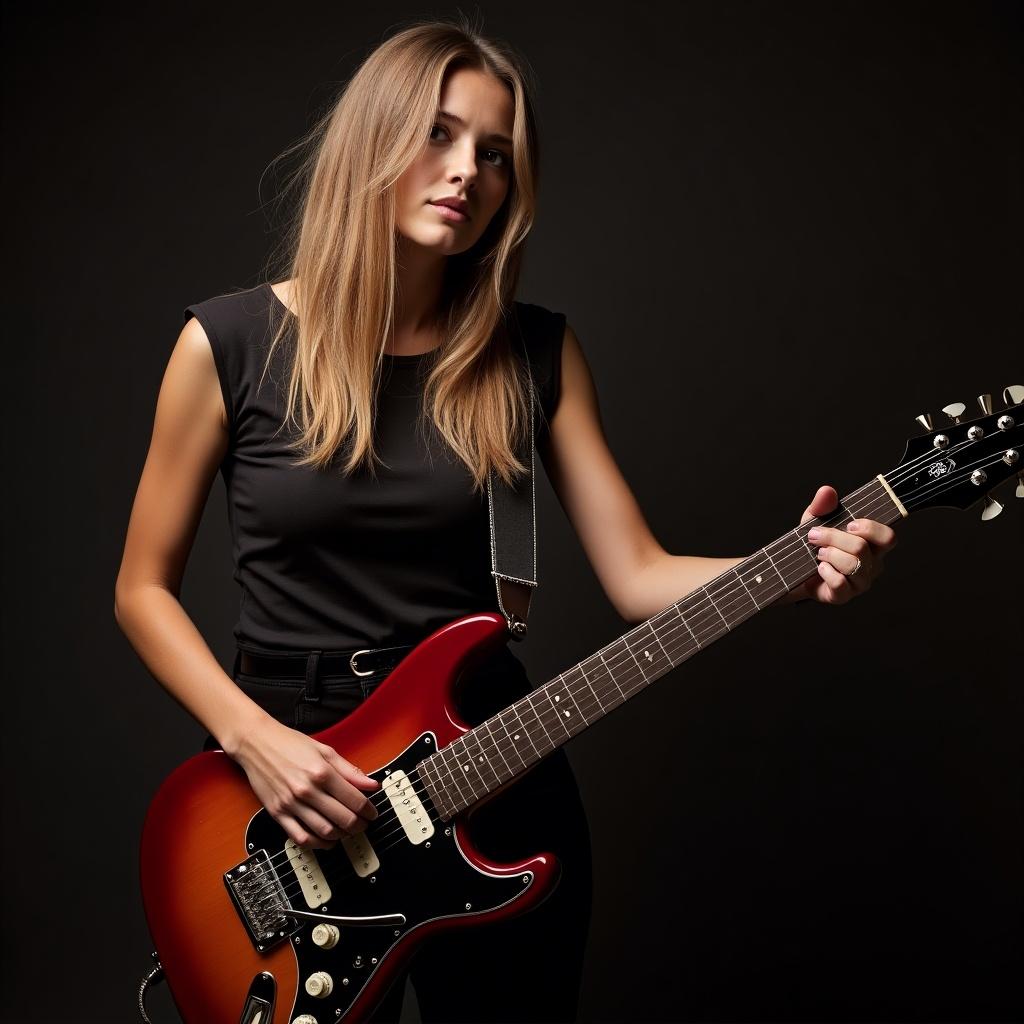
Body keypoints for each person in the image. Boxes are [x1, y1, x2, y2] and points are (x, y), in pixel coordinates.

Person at [114, 17, 897, 1024]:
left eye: (493, 154)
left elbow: (637, 572)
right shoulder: (224, 343)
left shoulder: (534, 356)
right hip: (285, 778)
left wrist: (791, 564)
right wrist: (253, 738)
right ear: (372, 141)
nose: (465, 172)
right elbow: (141, 588)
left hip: (493, 763)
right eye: (438, 135)